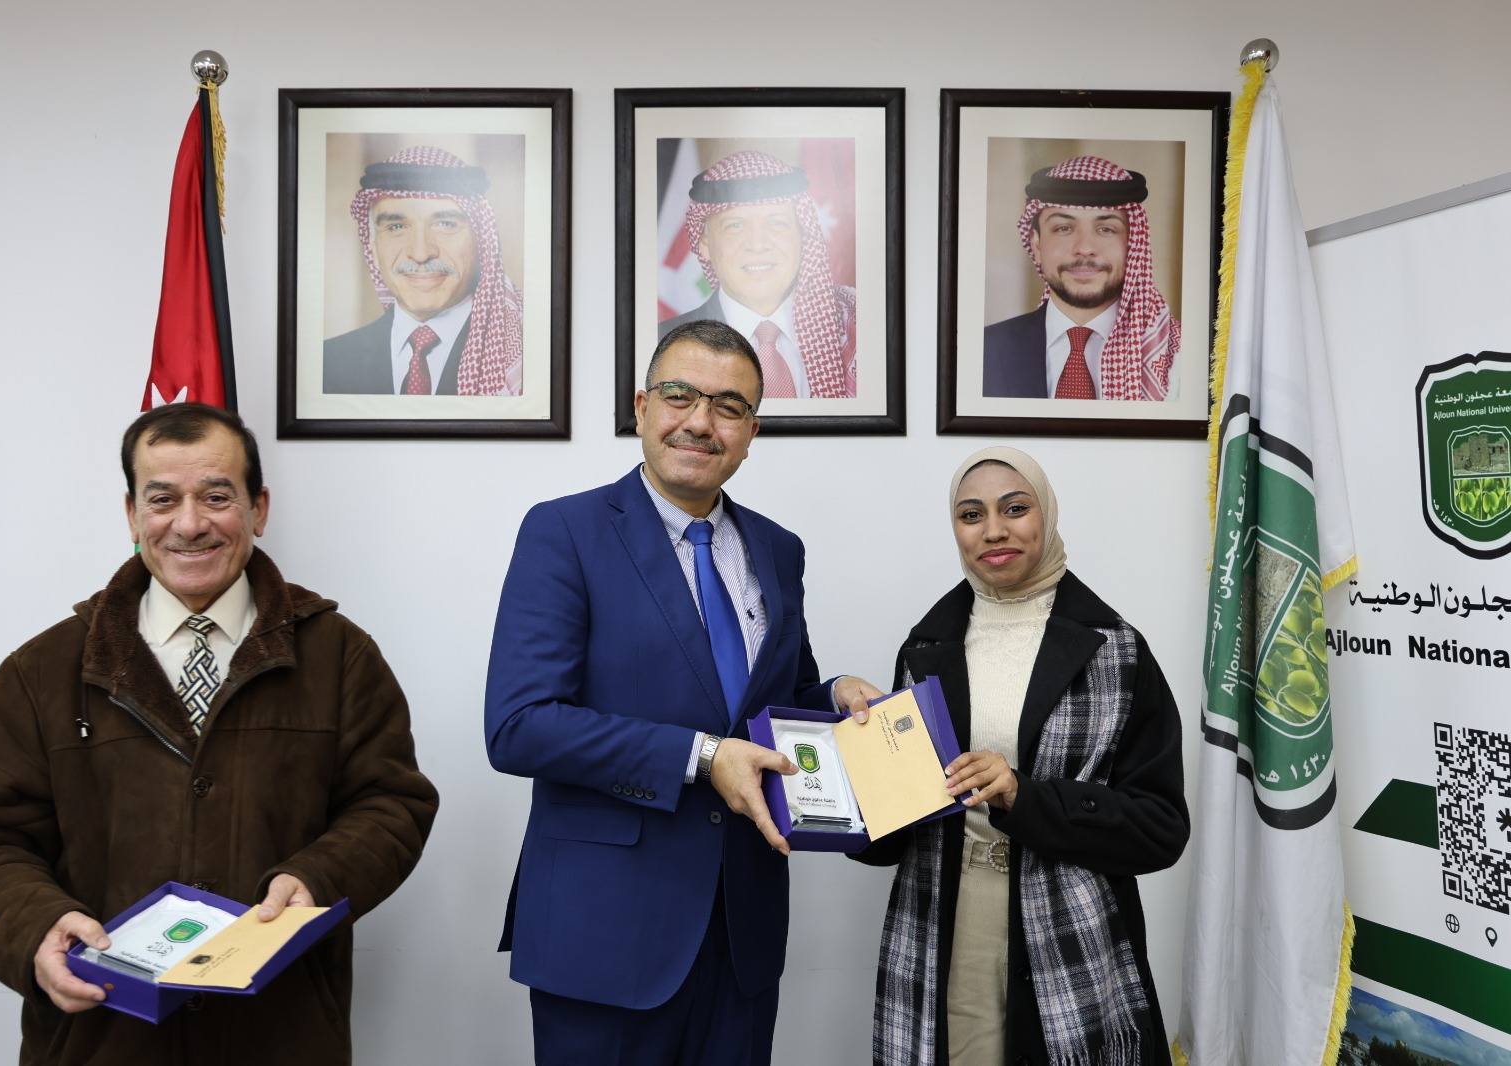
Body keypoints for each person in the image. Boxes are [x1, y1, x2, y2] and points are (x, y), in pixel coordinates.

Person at [0, 404, 438, 1066]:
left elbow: (391, 804)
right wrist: (35, 926)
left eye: (217, 497)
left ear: (258, 509)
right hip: (101, 1039)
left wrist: (316, 878)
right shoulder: (43, 669)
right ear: (133, 516)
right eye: (163, 500)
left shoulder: (339, 656)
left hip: (281, 1035)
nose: (189, 524)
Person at [485, 319, 881, 1065]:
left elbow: (775, 699)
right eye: (679, 395)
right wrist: (703, 756)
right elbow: (520, 725)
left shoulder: (779, 549)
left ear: (751, 432)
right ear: (641, 408)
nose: (701, 421)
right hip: (605, 933)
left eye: (729, 406)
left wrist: (833, 697)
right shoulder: (564, 531)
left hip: (742, 929)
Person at [852, 446, 1187, 1066]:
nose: (993, 530)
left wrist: (1023, 795)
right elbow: (897, 822)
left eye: (1015, 508)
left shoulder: (1117, 651)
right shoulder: (926, 647)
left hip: (1071, 929)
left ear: (1047, 514)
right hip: (946, 918)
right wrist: (846, 793)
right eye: (971, 514)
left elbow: (1160, 830)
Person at [324, 144, 524, 396]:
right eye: (396, 227)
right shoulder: (329, 363)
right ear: (372, 247)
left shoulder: (525, 359)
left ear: (481, 241)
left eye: (445, 224)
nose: (420, 253)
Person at [658, 150, 857, 398]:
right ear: (704, 243)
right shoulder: (661, 344)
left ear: (802, 236)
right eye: (735, 225)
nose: (758, 244)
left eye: (776, 223)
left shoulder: (858, 329)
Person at [982, 155, 1181, 402]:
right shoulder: (983, 351)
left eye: (1106, 229)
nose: (1084, 248)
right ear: (1036, 245)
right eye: (1063, 229)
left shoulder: (1178, 358)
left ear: (1133, 244)